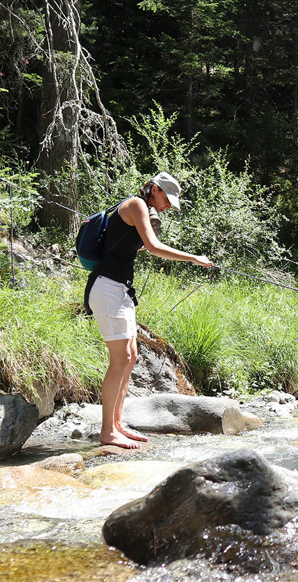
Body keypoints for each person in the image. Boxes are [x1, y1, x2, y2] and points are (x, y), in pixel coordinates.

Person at [84, 172, 212, 450]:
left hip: (119, 290)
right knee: (119, 360)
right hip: (106, 288)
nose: (168, 206)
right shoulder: (135, 204)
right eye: (166, 199)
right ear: (153, 189)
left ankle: (117, 424)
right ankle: (107, 431)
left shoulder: (140, 211)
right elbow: (154, 247)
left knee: (130, 357)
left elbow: (136, 245)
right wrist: (194, 258)